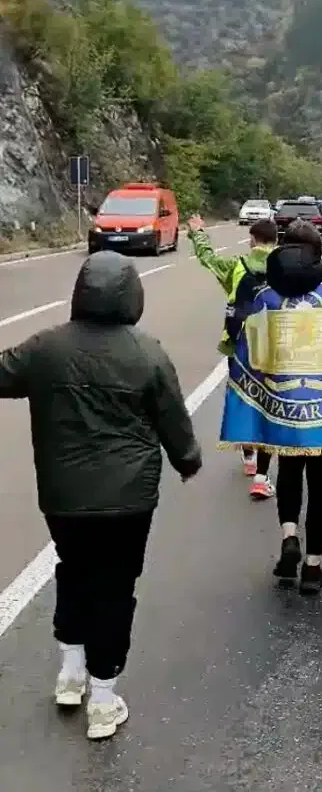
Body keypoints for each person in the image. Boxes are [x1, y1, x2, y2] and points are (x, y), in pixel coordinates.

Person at [0, 251, 202, 740]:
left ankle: (70, 673)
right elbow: (173, 421)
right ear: (133, 295)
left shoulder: (45, 348)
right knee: (114, 586)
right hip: (129, 497)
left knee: (72, 569)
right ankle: (105, 699)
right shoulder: (147, 351)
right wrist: (187, 460)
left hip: (62, 493)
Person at [220, 220, 322, 594]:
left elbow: (250, 353)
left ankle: (288, 536)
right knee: (321, 486)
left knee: (288, 473)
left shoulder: (266, 297)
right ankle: (313, 568)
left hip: (281, 406)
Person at [188, 213, 277, 499]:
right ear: (275, 241)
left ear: (252, 240)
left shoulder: (237, 266)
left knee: (244, 398)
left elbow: (207, 259)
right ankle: (263, 474)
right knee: (270, 403)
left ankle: (248, 458)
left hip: (240, 344)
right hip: (275, 346)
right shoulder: (285, 269)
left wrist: (198, 233)